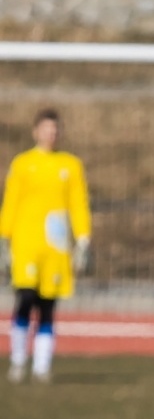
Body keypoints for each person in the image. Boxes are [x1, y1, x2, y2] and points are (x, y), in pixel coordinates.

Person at [3, 109, 90, 384]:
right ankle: (17, 360)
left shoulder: (70, 165)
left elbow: (78, 202)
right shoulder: (23, 163)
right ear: (35, 131)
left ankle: (42, 366)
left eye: (55, 129)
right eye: (46, 129)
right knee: (25, 298)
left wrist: (84, 237)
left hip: (56, 246)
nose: (51, 134)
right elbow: (11, 201)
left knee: (48, 305)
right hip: (27, 243)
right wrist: (4, 237)